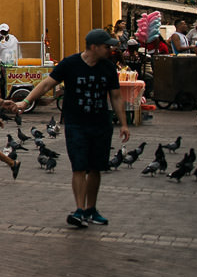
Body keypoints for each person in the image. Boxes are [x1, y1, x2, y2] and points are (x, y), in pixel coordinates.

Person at [18, 28, 129, 229]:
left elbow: (116, 96)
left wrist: (124, 124)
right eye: (106, 46)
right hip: (76, 124)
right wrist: (25, 102)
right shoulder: (70, 64)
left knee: (96, 168)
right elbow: (46, 85)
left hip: (101, 125)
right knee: (79, 166)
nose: (110, 50)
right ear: (94, 47)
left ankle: (91, 209)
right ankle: (79, 210)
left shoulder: (108, 68)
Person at [0, 24, 20, 97]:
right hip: (2, 65)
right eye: (2, 32)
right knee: (3, 84)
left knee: (12, 81)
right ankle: (4, 99)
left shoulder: (13, 39)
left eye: (5, 32)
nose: (4, 33)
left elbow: (19, 48)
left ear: (8, 30)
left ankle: (11, 97)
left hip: (12, 64)